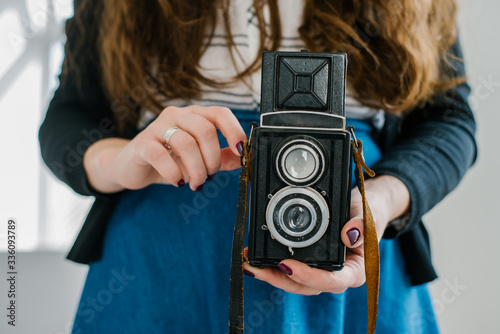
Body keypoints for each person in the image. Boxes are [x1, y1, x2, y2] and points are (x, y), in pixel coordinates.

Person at [39, 0, 476, 333]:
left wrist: (381, 200)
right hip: (161, 254)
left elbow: (446, 119)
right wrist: (120, 161)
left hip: (354, 247)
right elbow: (70, 117)